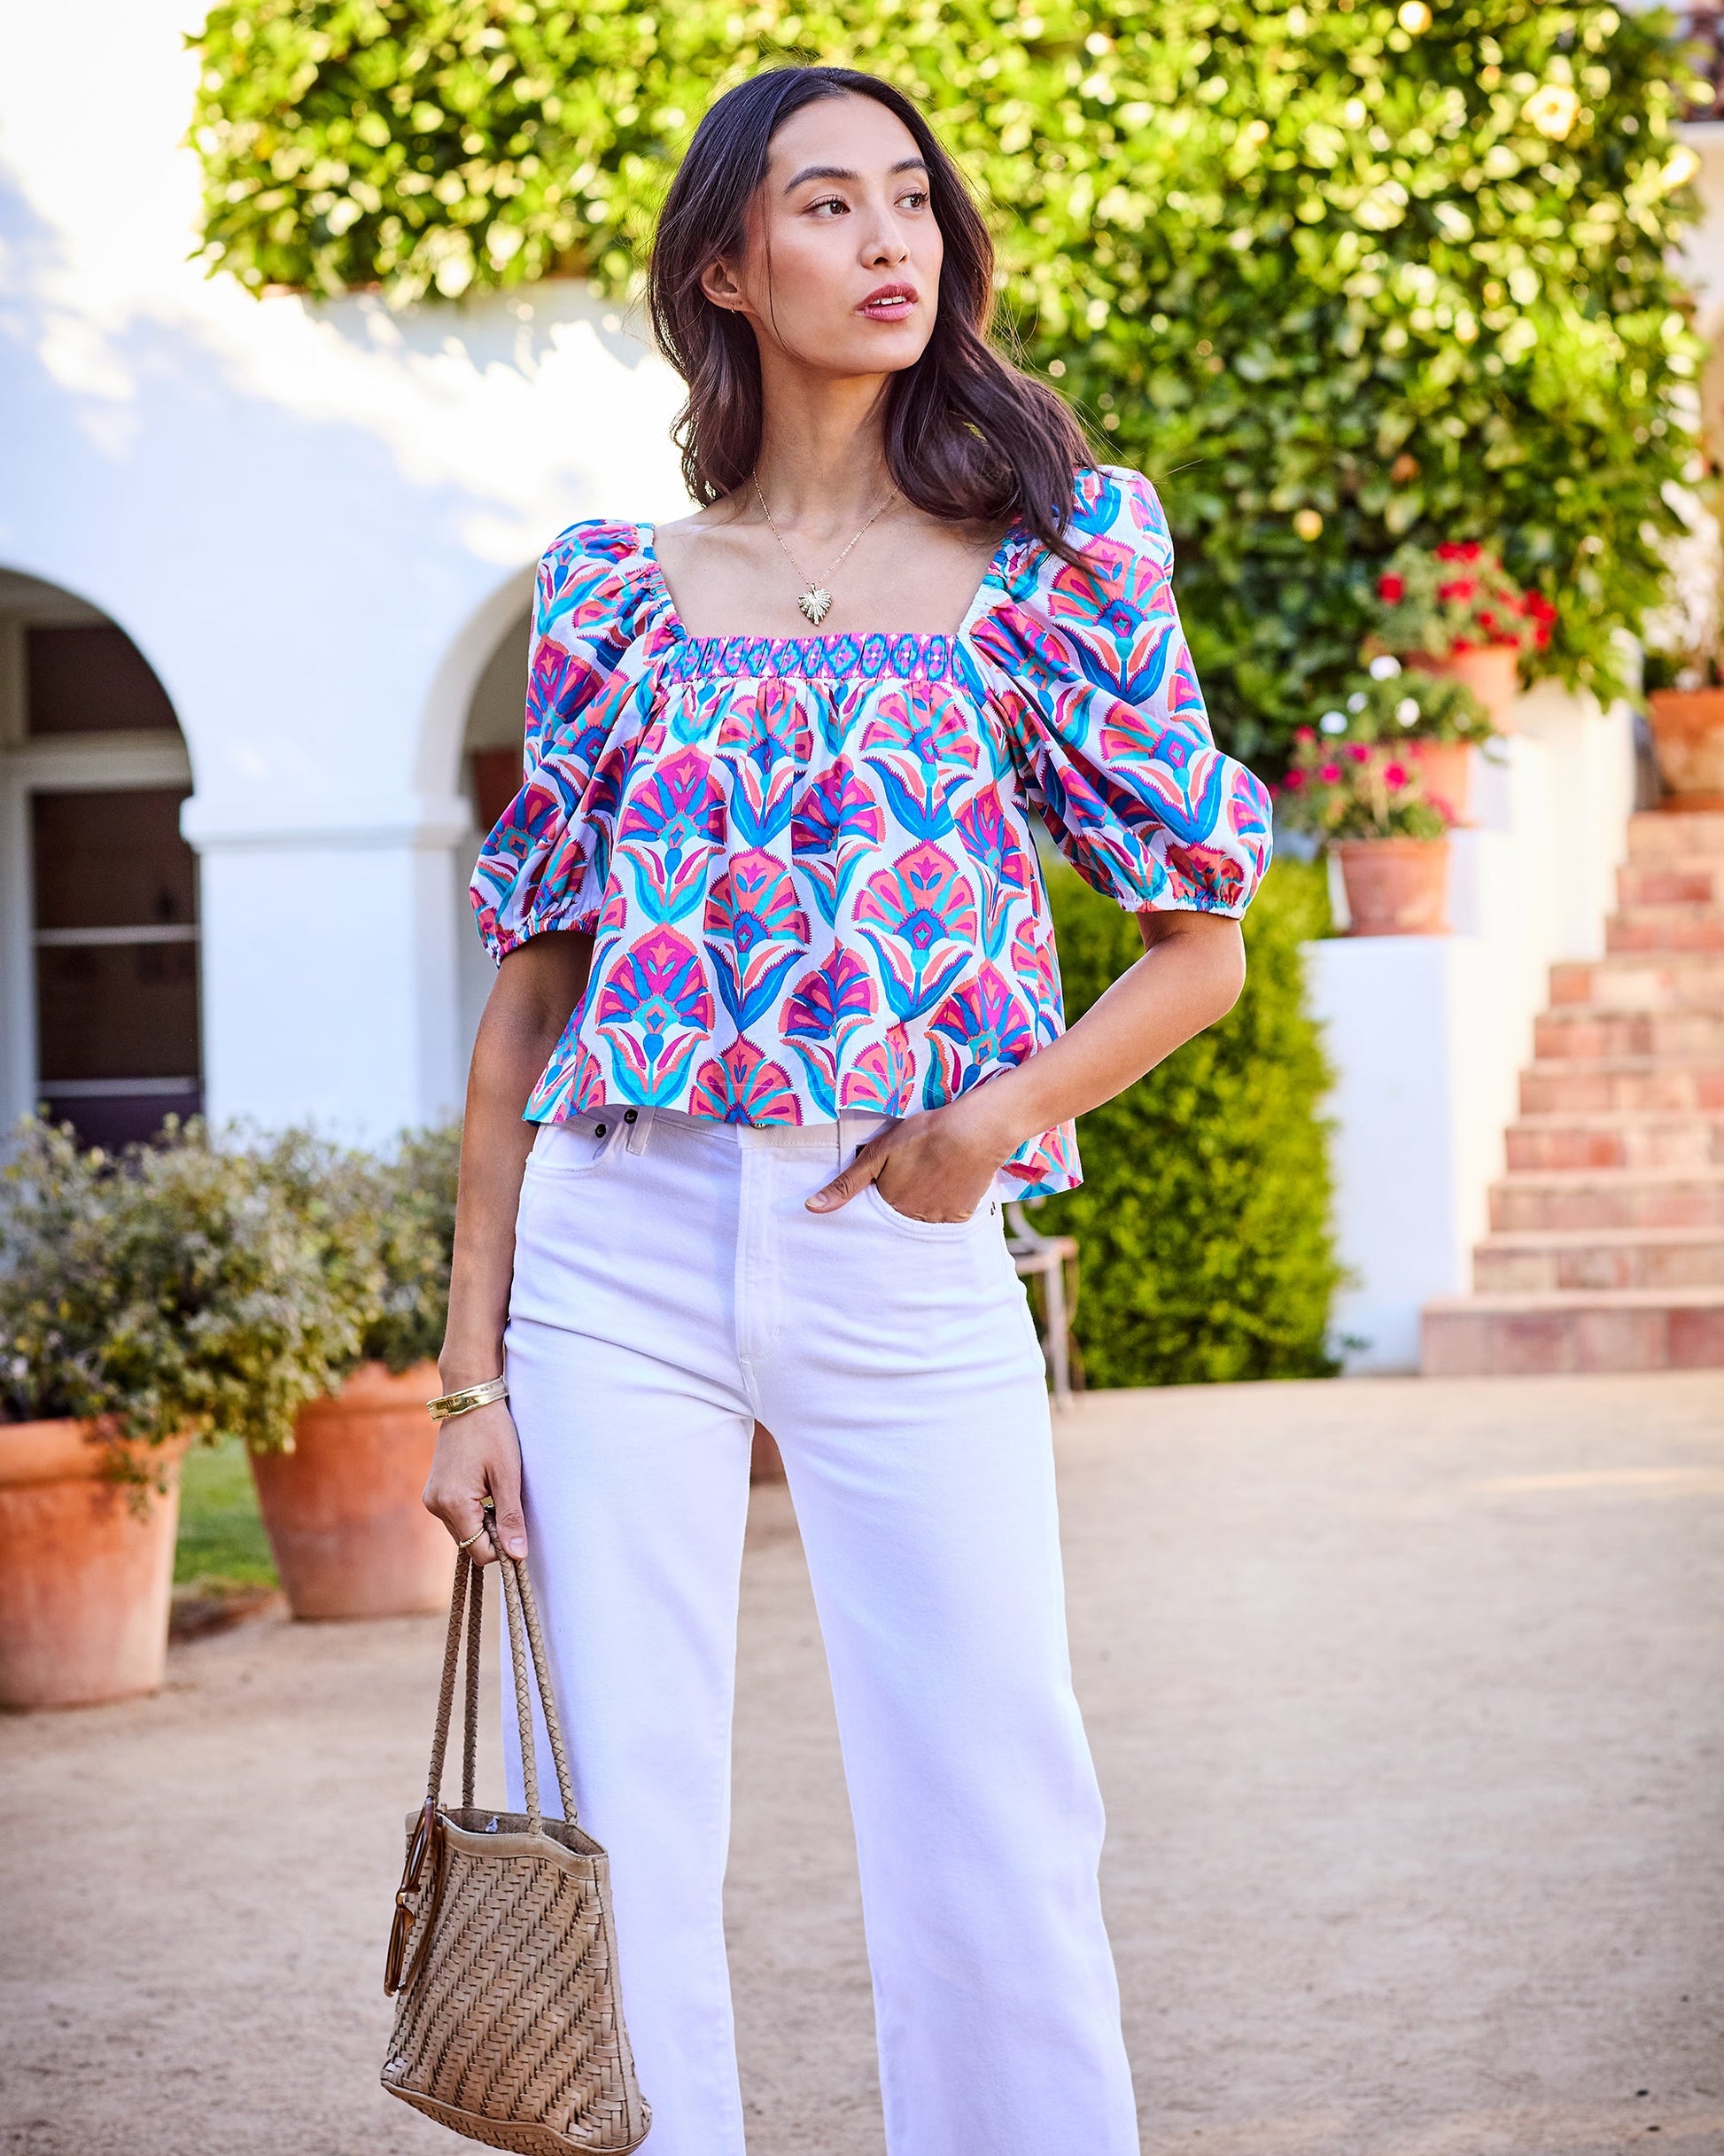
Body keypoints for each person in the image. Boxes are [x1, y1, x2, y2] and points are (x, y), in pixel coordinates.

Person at [423, 61, 1270, 2156]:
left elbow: (1201, 946)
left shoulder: (1052, 567)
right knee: (619, 1811)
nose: (889, 239)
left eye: (910, 199)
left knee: (997, 1793)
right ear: (725, 265)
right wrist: (466, 1373)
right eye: (826, 204)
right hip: (617, 1250)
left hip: (898, 1242)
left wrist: (990, 1123)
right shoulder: (611, 591)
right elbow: (527, 999)